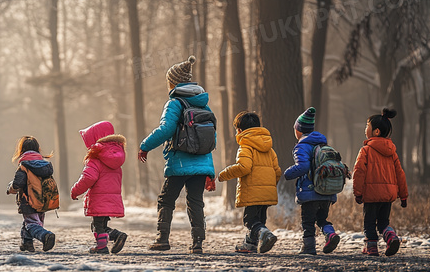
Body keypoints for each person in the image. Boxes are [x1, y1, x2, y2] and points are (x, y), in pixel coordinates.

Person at [138, 56, 216, 254]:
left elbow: (166, 129)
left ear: (173, 82)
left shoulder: (175, 103)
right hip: (201, 164)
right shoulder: (203, 104)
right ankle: (197, 242)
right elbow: (209, 139)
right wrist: (210, 172)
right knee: (196, 201)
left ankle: (162, 239)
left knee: (166, 200)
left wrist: (145, 146)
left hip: (179, 163)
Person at [218, 111, 281, 253]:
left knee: (250, 221)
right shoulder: (269, 149)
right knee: (259, 221)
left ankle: (265, 234)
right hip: (266, 192)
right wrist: (269, 186)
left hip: (252, 191)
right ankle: (250, 244)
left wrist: (223, 175)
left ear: (239, 131)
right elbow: (277, 171)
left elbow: (244, 167)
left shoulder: (245, 146)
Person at [284, 107, 342, 255]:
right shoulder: (323, 144)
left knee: (308, 222)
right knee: (322, 218)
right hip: (326, 191)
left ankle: (308, 247)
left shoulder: (301, 146)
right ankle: (331, 234)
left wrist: (287, 173)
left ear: (299, 130)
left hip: (310, 192)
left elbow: (302, 166)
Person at [352, 108, 408, 257]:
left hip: (371, 195)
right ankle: (391, 237)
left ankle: (371, 247)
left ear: (376, 132)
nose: (365, 129)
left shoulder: (365, 150)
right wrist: (403, 195)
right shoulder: (392, 152)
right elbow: (400, 174)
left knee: (369, 222)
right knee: (383, 222)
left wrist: (357, 193)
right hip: (388, 195)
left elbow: (358, 172)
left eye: (367, 126)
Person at [70, 121, 128, 254]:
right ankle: (116, 235)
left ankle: (101, 247)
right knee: (102, 225)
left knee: (97, 226)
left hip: (98, 199)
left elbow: (88, 178)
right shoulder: (116, 158)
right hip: (111, 199)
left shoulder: (96, 158)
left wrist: (75, 191)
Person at [7, 136, 56, 252]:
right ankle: (27, 243)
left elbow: (18, 184)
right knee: (31, 222)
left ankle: (45, 236)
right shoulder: (45, 166)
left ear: (21, 150)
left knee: (32, 224)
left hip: (28, 201)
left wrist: (10, 188)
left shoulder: (24, 166)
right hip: (43, 200)